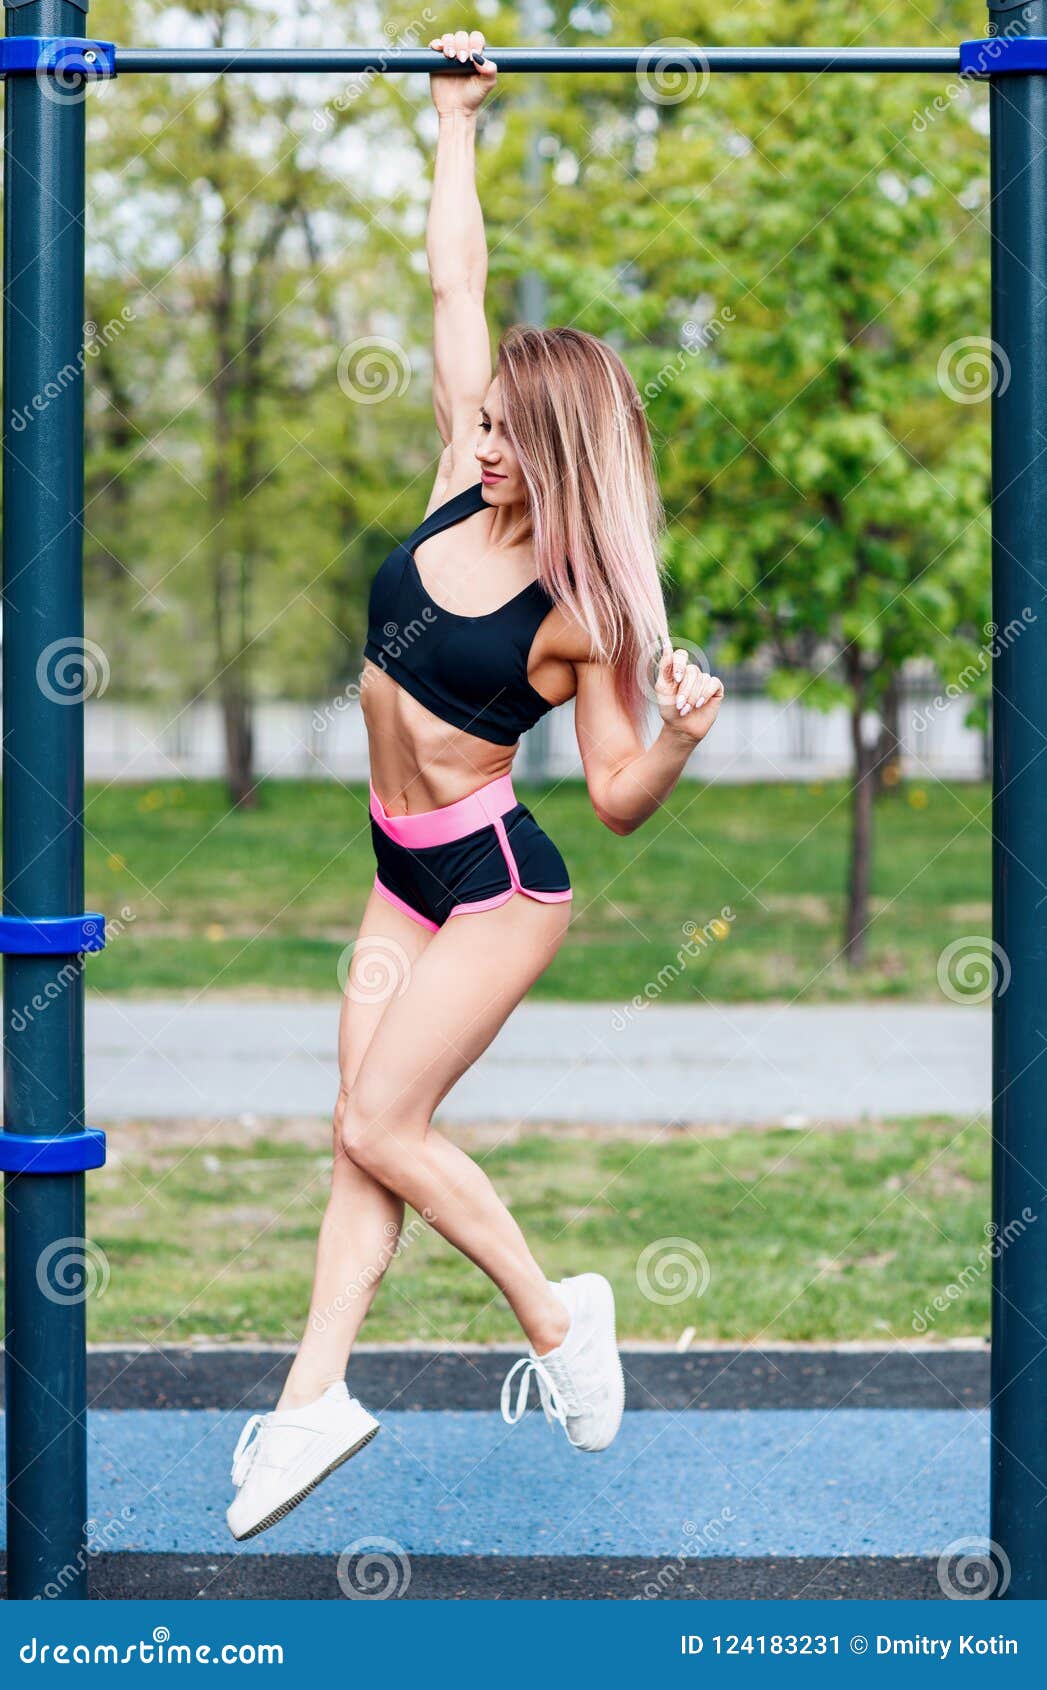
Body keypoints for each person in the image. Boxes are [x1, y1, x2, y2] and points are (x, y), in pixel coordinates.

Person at [226, 27, 724, 1541]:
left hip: (499, 884)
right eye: (485, 417)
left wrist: (686, 732)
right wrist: (453, 122)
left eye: (511, 428)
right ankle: (314, 1397)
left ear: (559, 445)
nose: (484, 436)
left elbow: (621, 795)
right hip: (399, 861)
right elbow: (458, 281)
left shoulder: (583, 610)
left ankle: (563, 1321)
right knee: (359, 1124)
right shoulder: (459, 463)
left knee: (382, 1121)